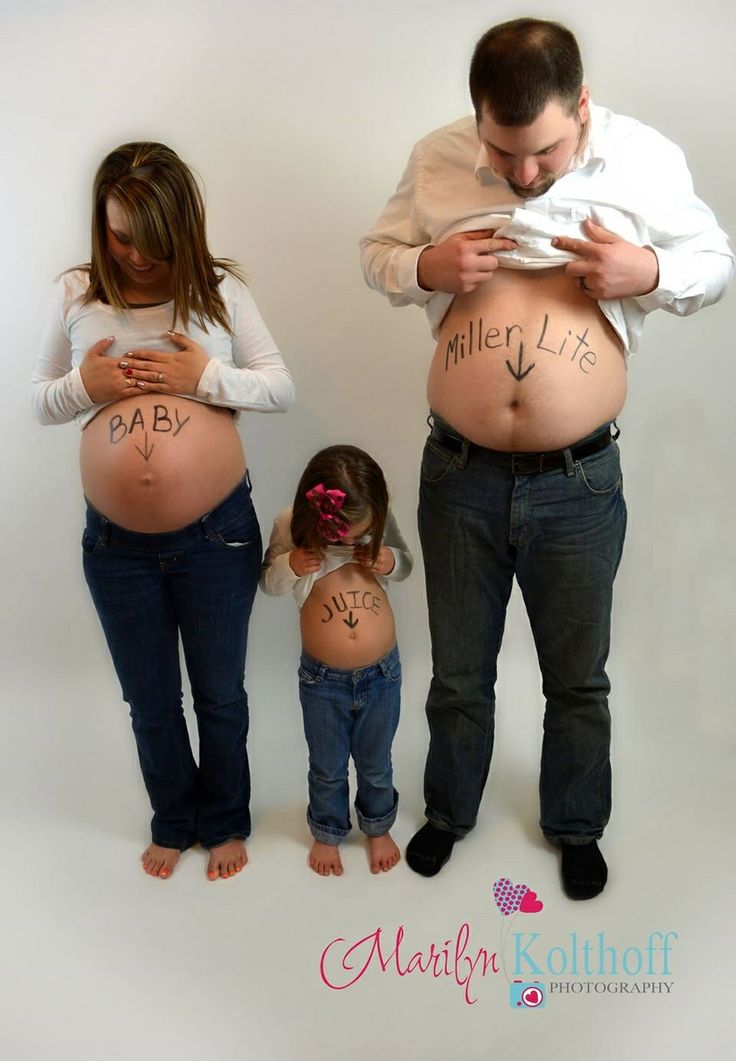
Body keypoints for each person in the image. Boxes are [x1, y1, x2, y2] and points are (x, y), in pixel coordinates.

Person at [360, 18, 733, 897]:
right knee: (457, 672)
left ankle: (574, 823)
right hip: (459, 474)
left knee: (578, 676)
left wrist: (647, 272)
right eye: (503, 151)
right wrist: (425, 264)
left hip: (578, 479)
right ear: (477, 117)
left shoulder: (644, 158)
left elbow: (716, 260)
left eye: (546, 152)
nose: (525, 177)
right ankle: (448, 810)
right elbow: (375, 256)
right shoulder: (436, 159)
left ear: (584, 108)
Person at [31, 141, 295, 881]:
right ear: (100, 223)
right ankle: (173, 818)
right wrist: (86, 385)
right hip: (116, 545)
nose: (137, 256)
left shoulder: (218, 293)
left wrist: (203, 375)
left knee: (220, 692)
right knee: (149, 698)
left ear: (182, 225)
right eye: (120, 235)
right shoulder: (78, 293)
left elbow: (280, 388)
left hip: (218, 535)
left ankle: (226, 819)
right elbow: (36, 400)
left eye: (152, 239)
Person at [260, 445, 413, 876]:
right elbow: (268, 584)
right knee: (327, 765)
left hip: (383, 673)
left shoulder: (377, 523)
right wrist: (291, 563)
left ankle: (377, 825)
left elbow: (406, 566)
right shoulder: (291, 523)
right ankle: (328, 831)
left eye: (358, 533)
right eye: (340, 534)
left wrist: (388, 559)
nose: (348, 541)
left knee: (376, 761)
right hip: (322, 679)